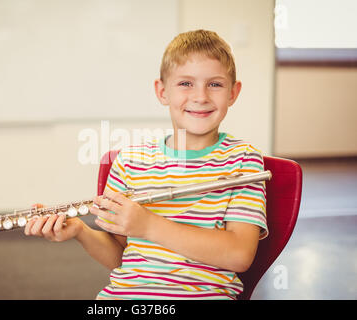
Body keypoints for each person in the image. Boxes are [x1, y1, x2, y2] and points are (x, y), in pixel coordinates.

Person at [24, 29, 268, 300]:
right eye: (185, 83)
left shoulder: (244, 161)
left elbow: (238, 255)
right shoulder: (129, 163)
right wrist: (80, 231)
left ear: (233, 93)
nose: (200, 96)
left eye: (215, 84)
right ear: (162, 92)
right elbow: (120, 255)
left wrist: (149, 225)